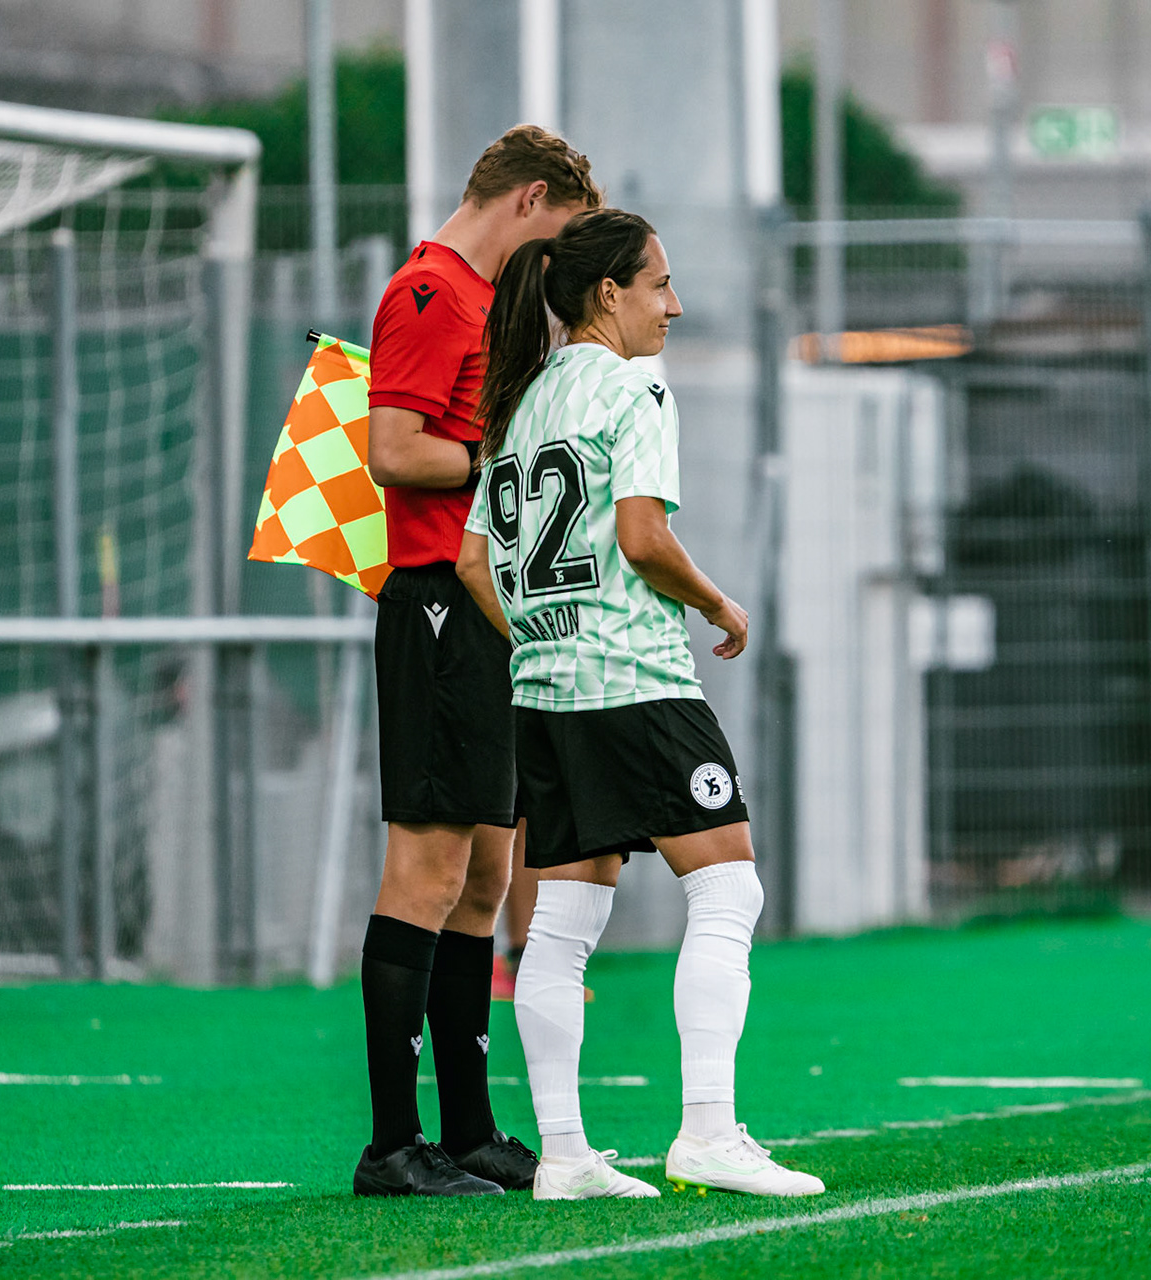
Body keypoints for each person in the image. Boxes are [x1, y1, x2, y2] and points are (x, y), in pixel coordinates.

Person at [454, 209, 825, 1201]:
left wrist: (542, 638)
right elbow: (644, 536)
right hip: (637, 680)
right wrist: (717, 600)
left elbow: (472, 562)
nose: (675, 303)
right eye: (659, 283)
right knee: (729, 888)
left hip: (547, 690)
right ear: (607, 293)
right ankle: (707, 1127)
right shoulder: (634, 385)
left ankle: (565, 1154)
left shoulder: (519, 399)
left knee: (562, 923)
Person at [351, 125, 602, 1198]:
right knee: (430, 865)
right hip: (438, 610)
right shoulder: (428, 293)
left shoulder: (479, 302)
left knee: (490, 872)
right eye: (563, 236)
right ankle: (391, 1142)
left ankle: (465, 1129)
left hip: (484, 611)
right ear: (529, 199)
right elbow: (391, 447)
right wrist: (505, 458)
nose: (564, 264)